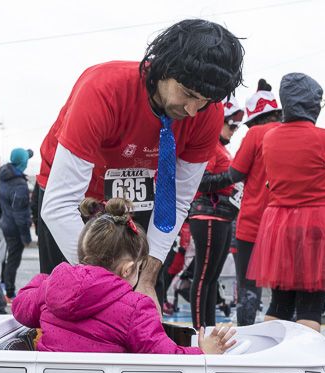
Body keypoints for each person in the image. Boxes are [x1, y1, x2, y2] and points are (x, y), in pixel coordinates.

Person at [34, 19, 245, 310]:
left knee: (140, 304)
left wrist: (145, 278)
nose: (192, 110)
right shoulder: (104, 88)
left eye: (205, 100)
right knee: (72, 301)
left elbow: (177, 201)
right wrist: (106, 286)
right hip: (74, 198)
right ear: (164, 69)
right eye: (188, 93)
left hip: (137, 197)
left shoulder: (207, 114)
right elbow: (59, 204)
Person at [12, 198, 236, 355]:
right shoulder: (136, 308)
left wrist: (45, 280)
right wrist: (203, 352)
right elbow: (166, 358)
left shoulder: (52, 288)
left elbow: (20, 306)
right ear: (127, 269)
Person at [246, 73, 325, 332]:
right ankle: (306, 354)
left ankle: (272, 353)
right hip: (317, 222)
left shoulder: (270, 138)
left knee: (279, 303)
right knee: (310, 305)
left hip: (280, 225)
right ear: (312, 103)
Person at [197, 80, 283, 326]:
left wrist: (208, 182)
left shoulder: (255, 134)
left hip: (253, 221)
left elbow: (235, 173)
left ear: (254, 118)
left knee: (248, 288)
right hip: (283, 221)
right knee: (283, 290)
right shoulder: (290, 132)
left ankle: (248, 338)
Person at [186, 97, 244, 328]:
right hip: (208, 215)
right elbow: (201, 181)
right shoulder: (211, 146)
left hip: (222, 216)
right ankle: (200, 329)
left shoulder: (221, 148)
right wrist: (233, 176)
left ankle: (208, 328)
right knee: (203, 277)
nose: (234, 130)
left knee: (211, 278)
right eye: (231, 125)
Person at [0, 148, 33, 299]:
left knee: (6, 257)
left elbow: (23, 156)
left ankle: (3, 286)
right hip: (15, 228)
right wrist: (26, 237)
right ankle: (9, 292)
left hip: (5, 222)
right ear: (23, 162)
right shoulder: (19, 184)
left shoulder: (4, 174)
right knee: (13, 260)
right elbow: (20, 214)